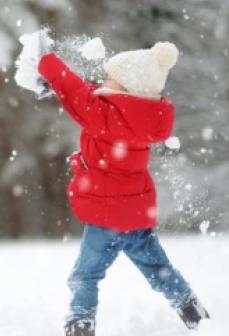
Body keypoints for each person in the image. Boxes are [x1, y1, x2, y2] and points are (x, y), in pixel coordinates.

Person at [35, 40, 210, 336]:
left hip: (106, 216)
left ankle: (80, 322)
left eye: (109, 79)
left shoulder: (105, 116)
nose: (102, 83)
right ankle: (190, 307)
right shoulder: (140, 117)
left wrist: (48, 62)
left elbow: (79, 95)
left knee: (85, 275)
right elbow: (94, 95)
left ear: (126, 88)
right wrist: (57, 85)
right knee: (157, 268)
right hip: (134, 214)